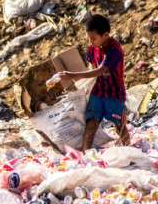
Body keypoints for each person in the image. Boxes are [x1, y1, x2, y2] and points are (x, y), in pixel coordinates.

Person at [51, 13, 129, 151]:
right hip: (97, 91)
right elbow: (91, 67)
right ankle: (87, 154)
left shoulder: (114, 50)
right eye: (89, 38)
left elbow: (99, 71)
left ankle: (129, 150)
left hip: (114, 93)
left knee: (120, 126)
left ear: (105, 35)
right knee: (91, 123)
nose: (91, 42)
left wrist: (71, 75)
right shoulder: (93, 47)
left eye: (93, 38)